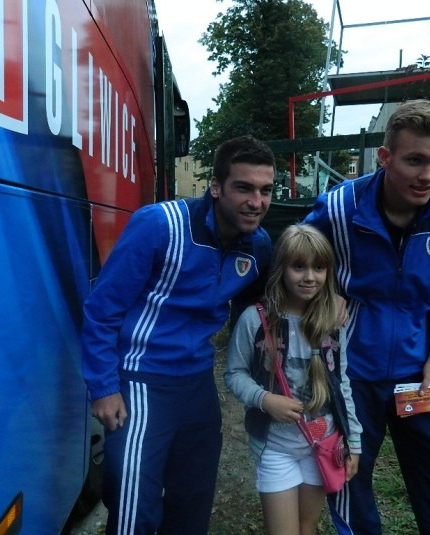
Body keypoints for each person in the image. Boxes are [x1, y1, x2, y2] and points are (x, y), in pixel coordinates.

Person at [81, 135, 276, 535]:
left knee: (193, 499)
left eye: (266, 190)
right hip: (141, 379)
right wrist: (103, 387)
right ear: (216, 186)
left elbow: (264, 304)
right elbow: (102, 308)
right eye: (244, 188)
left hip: (197, 382)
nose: (256, 202)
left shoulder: (258, 246)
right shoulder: (160, 226)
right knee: (134, 505)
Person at [304, 99, 430, 534]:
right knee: (349, 475)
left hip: (419, 372)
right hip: (349, 371)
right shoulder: (338, 208)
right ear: (385, 157)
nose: (429, 176)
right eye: (415, 160)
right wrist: (324, 297)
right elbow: (296, 264)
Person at [224, 224, 363, 535]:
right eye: (299, 267)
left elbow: (342, 383)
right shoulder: (255, 319)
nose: (310, 277)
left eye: (319, 268)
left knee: (306, 525)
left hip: (323, 445)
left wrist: (354, 441)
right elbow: (233, 373)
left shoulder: (333, 321)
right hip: (276, 447)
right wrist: (264, 399)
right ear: (281, 268)